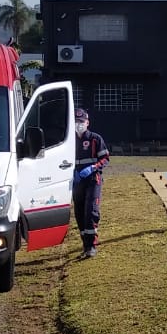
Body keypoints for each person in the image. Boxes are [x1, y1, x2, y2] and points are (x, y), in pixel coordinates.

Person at [72, 107, 110, 259]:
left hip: (93, 179)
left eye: (81, 121)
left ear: (87, 122)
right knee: (79, 213)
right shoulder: (70, 141)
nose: (78, 124)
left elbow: (105, 158)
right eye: (76, 122)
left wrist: (93, 167)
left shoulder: (95, 139)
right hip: (77, 181)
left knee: (91, 211)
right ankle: (85, 245)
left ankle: (92, 246)